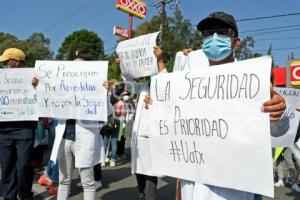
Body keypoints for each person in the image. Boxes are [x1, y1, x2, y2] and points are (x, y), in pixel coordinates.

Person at [145, 11, 290, 200]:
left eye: (222, 32)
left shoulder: (253, 83)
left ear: (236, 42)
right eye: (207, 34)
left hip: (231, 192)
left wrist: (280, 112)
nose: (213, 39)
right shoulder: (187, 85)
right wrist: (158, 109)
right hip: (191, 188)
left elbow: (279, 132)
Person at [49, 52, 111, 200]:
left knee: (88, 182)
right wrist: (38, 86)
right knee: (63, 181)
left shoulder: (96, 87)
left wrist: (106, 93)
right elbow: (47, 103)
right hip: (64, 139)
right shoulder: (62, 87)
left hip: (84, 138)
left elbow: (107, 113)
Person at [0, 48, 38, 200]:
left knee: (23, 165)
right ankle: (9, 197)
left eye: (6, 62)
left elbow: (46, 97)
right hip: (3, 130)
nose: (5, 65)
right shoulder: (2, 78)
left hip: (25, 129)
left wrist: (37, 86)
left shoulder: (34, 77)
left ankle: (25, 194)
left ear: (16, 62)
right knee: (7, 166)